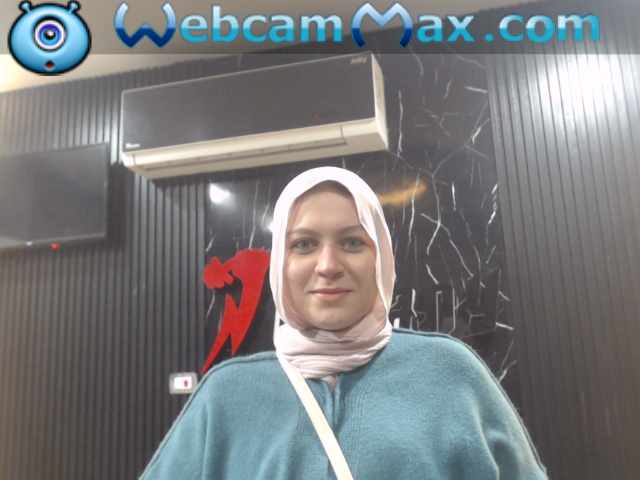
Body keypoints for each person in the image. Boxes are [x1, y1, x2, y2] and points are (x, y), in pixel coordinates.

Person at [139, 166, 548, 480]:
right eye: (304, 244)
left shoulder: (451, 374)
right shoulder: (225, 396)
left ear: (380, 258)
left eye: (352, 242)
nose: (328, 266)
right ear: (280, 265)